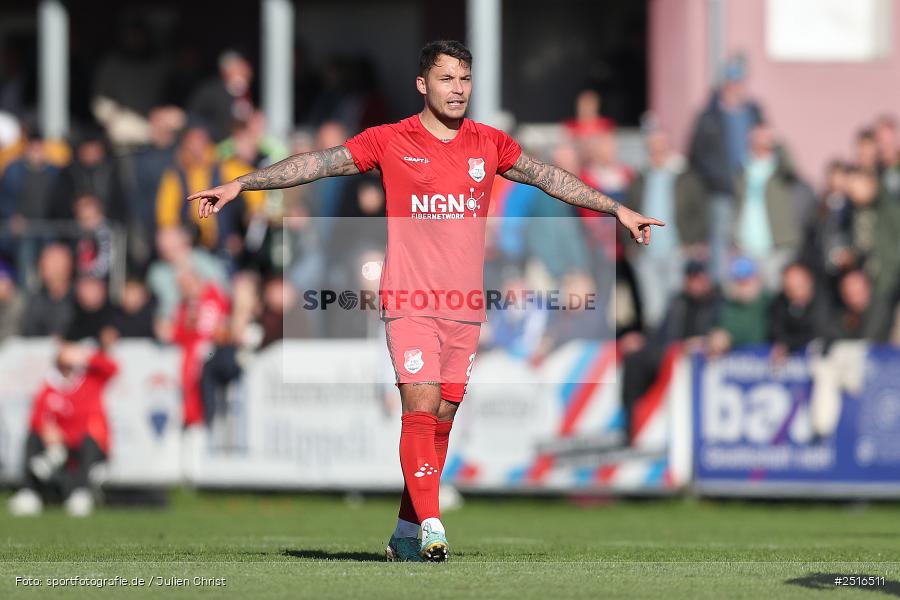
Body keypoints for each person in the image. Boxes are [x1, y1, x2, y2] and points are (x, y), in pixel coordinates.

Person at [187, 40, 664, 563]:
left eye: (464, 79)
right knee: (419, 405)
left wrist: (616, 208)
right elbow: (318, 164)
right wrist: (242, 184)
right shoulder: (391, 140)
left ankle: (404, 533)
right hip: (409, 300)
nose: (457, 89)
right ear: (423, 84)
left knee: (440, 419)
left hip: (465, 306)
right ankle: (434, 526)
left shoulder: (490, 144)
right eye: (446, 79)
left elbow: (550, 178)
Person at [7, 342, 118, 517]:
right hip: (61, 446)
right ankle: (29, 492)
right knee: (33, 437)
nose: (67, 367)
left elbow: (112, 368)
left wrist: (86, 355)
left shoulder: (90, 381)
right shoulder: (50, 387)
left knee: (88, 440)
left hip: (87, 446)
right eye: (63, 363)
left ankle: (80, 493)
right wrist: (47, 430)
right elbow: (37, 417)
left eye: (70, 363)